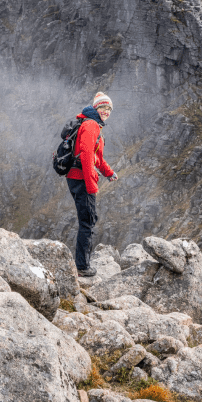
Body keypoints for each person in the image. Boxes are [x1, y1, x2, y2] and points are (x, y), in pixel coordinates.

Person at [66, 92, 118, 277]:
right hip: (81, 178)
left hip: (77, 177)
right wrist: (91, 185)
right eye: (104, 107)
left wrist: (109, 173)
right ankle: (82, 267)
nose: (107, 111)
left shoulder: (91, 124)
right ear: (97, 108)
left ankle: (82, 263)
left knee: (87, 219)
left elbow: (97, 158)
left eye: (110, 108)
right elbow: (87, 156)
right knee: (88, 221)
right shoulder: (91, 125)